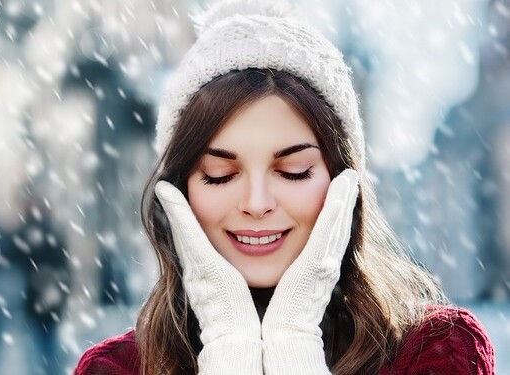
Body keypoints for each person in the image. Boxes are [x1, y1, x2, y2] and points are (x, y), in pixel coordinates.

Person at [74, 0, 496, 374]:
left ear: (342, 183)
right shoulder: (116, 370)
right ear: (179, 193)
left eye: (293, 171)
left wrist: (295, 344)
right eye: (220, 175)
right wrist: (228, 351)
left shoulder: (438, 352)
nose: (257, 204)